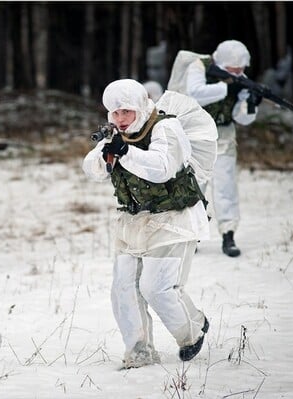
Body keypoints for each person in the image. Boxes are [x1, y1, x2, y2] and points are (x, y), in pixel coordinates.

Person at [82, 79, 209, 368]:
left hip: (173, 219)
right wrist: (106, 154)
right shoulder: (116, 134)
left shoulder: (166, 128)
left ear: (139, 106)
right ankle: (139, 350)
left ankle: (193, 329)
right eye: (114, 113)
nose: (120, 119)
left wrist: (125, 152)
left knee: (156, 288)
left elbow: (162, 169)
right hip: (133, 223)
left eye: (125, 111)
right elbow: (92, 169)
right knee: (123, 288)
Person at [184, 40, 260, 257]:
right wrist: (227, 87)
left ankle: (228, 234)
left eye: (241, 70)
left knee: (226, 186)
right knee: (194, 185)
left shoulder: (241, 80)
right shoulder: (200, 66)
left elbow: (240, 117)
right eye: (232, 70)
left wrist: (251, 102)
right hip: (196, 135)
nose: (238, 74)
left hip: (223, 135)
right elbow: (194, 92)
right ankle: (191, 236)